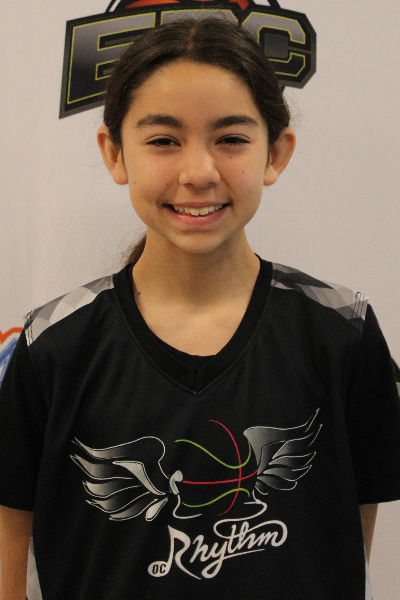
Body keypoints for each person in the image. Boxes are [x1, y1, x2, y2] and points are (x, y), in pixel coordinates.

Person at [0, 16, 399, 600]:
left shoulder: (342, 331)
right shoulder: (52, 345)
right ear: (115, 153)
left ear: (276, 152)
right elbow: (12, 548)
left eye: (231, 139)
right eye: (163, 140)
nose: (199, 173)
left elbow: (350, 539)